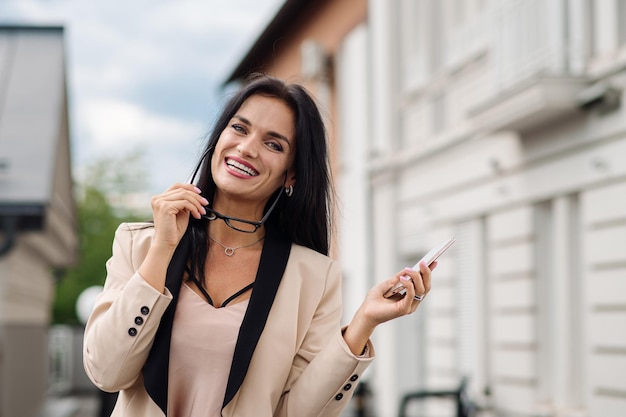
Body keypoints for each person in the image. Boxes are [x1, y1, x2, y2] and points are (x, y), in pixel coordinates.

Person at [83, 75, 434, 417]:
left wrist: (363, 323)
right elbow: (107, 372)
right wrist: (163, 249)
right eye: (239, 128)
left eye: (274, 144)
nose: (247, 148)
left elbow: (297, 412)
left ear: (291, 174)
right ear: (219, 137)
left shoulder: (314, 277)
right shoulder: (139, 244)